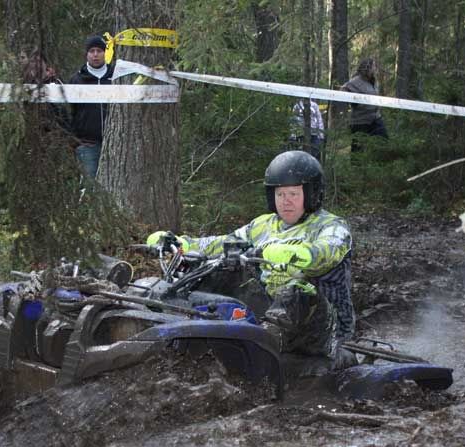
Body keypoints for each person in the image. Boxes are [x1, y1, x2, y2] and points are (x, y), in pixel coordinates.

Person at [147, 150, 356, 367]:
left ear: (312, 194)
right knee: (216, 267)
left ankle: (262, 346)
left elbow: (330, 249)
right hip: (269, 311)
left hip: (324, 326)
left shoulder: (331, 226)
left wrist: (301, 254)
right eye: (280, 194)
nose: (286, 201)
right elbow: (225, 243)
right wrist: (182, 244)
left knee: (298, 289)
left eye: (293, 194)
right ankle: (176, 319)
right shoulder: (264, 225)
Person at [68, 35, 114, 179]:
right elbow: (70, 111)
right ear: (86, 54)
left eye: (99, 51)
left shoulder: (116, 77)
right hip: (87, 145)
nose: (95, 55)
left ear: (105, 52)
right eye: (92, 51)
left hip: (115, 143)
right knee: (89, 187)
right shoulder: (76, 79)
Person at [342, 57, 388, 153]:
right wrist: (355, 101)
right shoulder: (355, 81)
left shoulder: (374, 82)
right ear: (367, 68)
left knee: (383, 141)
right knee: (358, 149)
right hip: (360, 121)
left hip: (375, 118)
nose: (375, 69)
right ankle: (356, 167)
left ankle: (379, 165)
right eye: (373, 67)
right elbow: (343, 90)